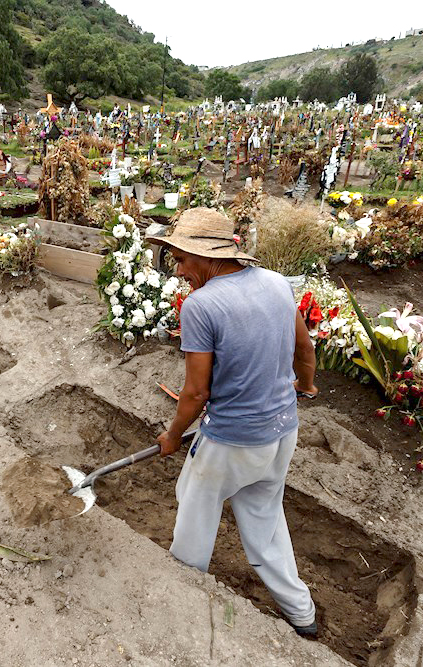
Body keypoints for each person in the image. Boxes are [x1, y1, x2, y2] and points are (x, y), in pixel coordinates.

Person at [147, 208, 319, 637]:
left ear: (202, 255)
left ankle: (182, 597)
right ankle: (301, 613)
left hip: (232, 440)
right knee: (265, 520)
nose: (180, 270)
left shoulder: (202, 306)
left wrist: (172, 436)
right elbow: (304, 347)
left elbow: (196, 393)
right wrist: (306, 387)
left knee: (195, 509)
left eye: (181, 259)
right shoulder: (276, 284)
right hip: (282, 432)